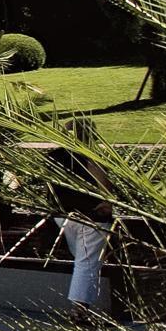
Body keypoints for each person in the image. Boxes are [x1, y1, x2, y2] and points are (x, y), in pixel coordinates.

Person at [51, 121, 113, 314]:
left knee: (82, 257)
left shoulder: (53, 156)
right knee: (87, 261)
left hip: (62, 215)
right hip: (90, 216)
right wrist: (108, 204)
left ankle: (82, 304)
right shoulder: (89, 155)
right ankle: (80, 309)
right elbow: (102, 181)